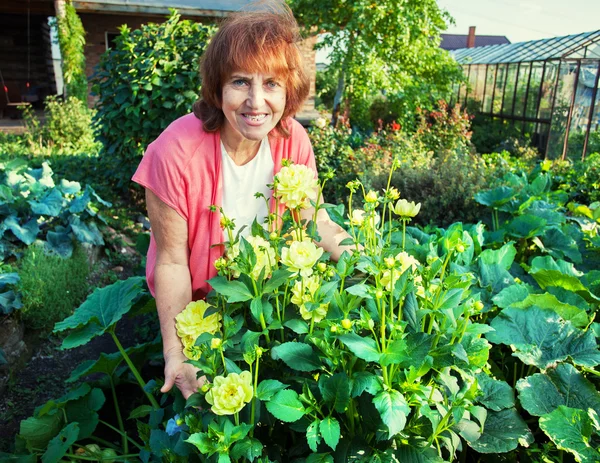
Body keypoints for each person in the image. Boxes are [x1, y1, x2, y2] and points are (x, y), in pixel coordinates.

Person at [132, 3, 353, 399]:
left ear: (290, 91)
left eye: (271, 83)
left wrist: (369, 265)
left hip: (273, 307)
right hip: (206, 317)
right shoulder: (175, 151)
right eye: (239, 82)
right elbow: (171, 262)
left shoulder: (293, 140)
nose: (256, 101)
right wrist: (177, 353)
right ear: (218, 87)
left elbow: (314, 222)